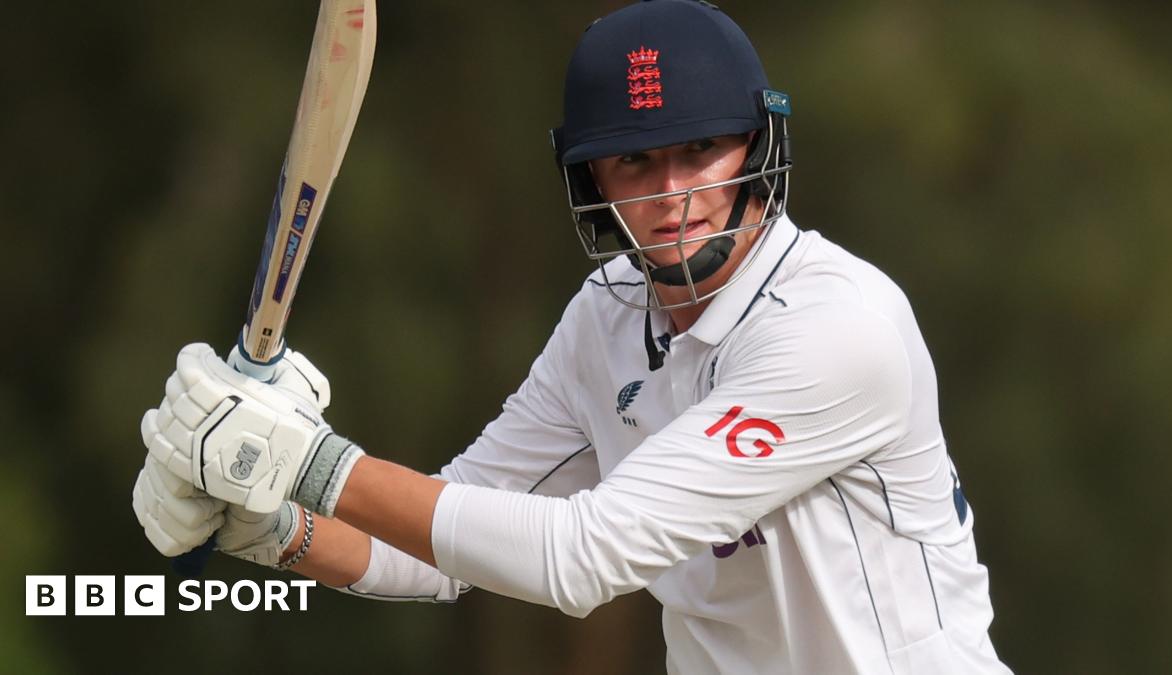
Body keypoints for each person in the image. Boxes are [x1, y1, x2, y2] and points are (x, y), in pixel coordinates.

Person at [133, 1, 1010, 672]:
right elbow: (444, 548)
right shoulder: (609, 315)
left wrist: (312, 461)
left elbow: (581, 556)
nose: (671, 193)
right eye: (634, 160)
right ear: (590, 174)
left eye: (700, 148)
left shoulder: (837, 327)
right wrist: (270, 523)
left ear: (757, 143)